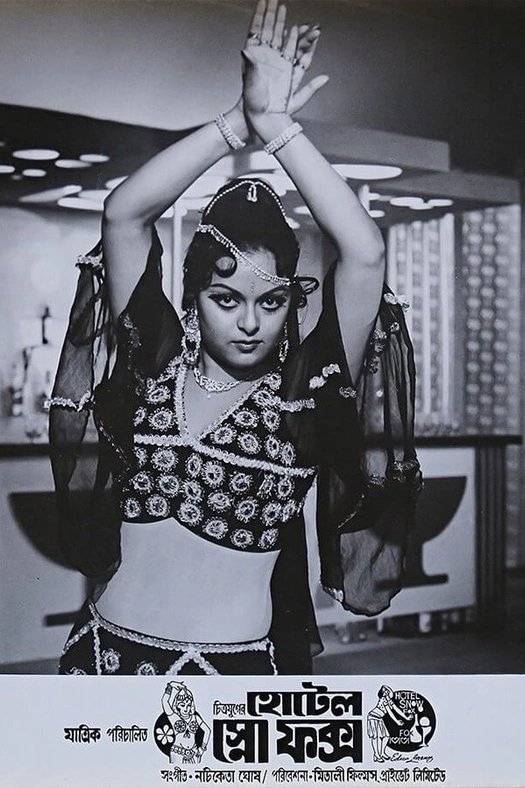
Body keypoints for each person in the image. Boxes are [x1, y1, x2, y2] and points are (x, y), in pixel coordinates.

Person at [49, 0, 421, 676]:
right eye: (226, 300)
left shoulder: (303, 395)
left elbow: (364, 253)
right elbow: (124, 214)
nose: (249, 322)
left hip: (232, 680)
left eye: (270, 302)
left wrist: (277, 131)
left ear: (291, 302)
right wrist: (235, 125)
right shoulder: (155, 362)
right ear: (192, 299)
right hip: (102, 662)